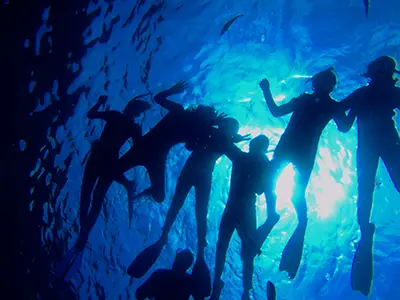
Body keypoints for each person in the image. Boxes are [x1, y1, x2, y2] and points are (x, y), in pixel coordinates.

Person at [128, 117, 249, 298]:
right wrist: (227, 140)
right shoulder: (219, 137)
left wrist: (221, 137)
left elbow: (192, 146)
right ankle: (184, 244)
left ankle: (171, 239)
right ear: (227, 128)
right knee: (191, 210)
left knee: (192, 210)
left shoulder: (217, 135)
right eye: (230, 129)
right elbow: (231, 155)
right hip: (199, 175)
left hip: (194, 173)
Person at [259, 68, 349, 279]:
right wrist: (354, 108)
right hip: (303, 153)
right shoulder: (332, 105)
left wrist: (266, 90)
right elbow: (344, 127)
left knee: (271, 182)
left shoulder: (314, 102)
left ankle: (286, 218)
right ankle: (298, 222)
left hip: (290, 148)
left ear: (316, 83)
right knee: (287, 190)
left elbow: (276, 111)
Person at [55, 94, 150, 281]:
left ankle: (83, 234)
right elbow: (139, 149)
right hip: (107, 160)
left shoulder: (119, 117)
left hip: (100, 157)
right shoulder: (128, 124)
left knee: (90, 196)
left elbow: (91, 115)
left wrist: (99, 102)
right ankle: (83, 235)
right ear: (136, 111)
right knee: (92, 197)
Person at [339, 56, 400, 296]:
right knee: (368, 189)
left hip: (371, 147)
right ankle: (365, 228)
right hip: (387, 145)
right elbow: (343, 121)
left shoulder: (362, 94)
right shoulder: (387, 92)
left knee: (365, 191)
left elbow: (343, 124)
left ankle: (365, 229)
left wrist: (331, 110)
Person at [115, 81, 224, 204]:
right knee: (112, 171)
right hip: (148, 150)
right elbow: (158, 98)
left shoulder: (191, 127)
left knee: (159, 196)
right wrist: (171, 91)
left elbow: (191, 146)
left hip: (152, 152)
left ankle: (140, 188)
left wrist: (212, 126)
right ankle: (129, 185)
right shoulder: (181, 113)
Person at [210, 135, 275, 300]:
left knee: (235, 248)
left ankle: (241, 290)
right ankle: (229, 286)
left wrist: (231, 138)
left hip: (239, 208)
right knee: (234, 248)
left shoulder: (245, 159)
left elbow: (264, 190)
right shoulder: (248, 159)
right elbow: (265, 191)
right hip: (241, 208)